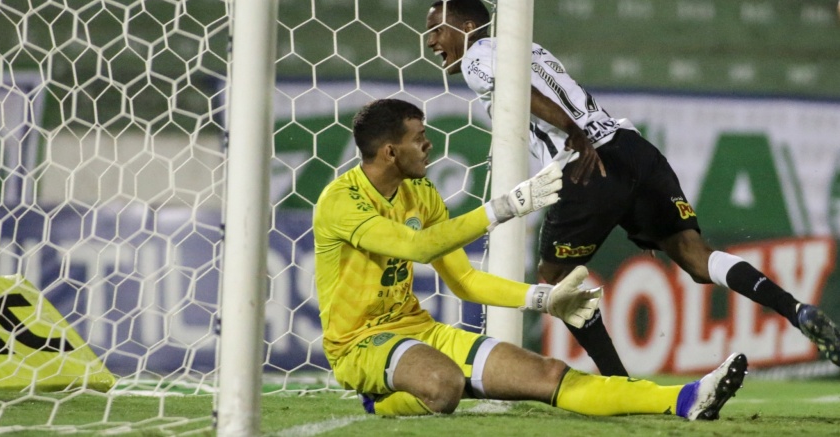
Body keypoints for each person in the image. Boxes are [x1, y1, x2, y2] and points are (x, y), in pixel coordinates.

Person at [423, 0, 840, 377]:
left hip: (585, 163)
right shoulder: (530, 50)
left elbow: (524, 94)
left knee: (554, 277)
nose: (430, 41)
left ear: (465, 26)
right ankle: (795, 309)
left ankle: (618, 380)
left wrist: (574, 132)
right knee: (696, 257)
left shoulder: (478, 56)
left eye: (436, 29)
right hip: (631, 148)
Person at [313, 97, 746, 419]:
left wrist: (544, 298)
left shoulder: (420, 193)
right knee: (442, 385)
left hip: (417, 330)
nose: (429, 145)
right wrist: (503, 208)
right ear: (390, 151)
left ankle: (685, 399)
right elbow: (418, 248)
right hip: (359, 345)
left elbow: (463, 280)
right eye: (419, 138)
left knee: (548, 375)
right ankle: (379, 402)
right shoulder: (341, 201)